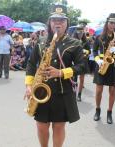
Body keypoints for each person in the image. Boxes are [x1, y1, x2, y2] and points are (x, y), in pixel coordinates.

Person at [24, 4, 85, 147]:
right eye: (54, 20)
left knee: (58, 127)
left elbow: (82, 67)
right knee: (41, 126)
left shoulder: (75, 44)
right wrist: (28, 85)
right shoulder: (40, 43)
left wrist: (61, 72)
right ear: (50, 22)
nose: (58, 23)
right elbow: (31, 64)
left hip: (63, 91)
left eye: (62, 20)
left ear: (67, 23)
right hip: (41, 90)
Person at [93, 13, 115, 124]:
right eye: (111, 23)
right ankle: (97, 110)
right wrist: (97, 60)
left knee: (112, 91)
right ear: (107, 23)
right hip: (102, 65)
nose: (113, 25)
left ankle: (109, 112)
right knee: (99, 90)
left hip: (114, 67)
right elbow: (94, 50)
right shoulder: (99, 37)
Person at [72, 25, 91, 101]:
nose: (80, 34)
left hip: (83, 61)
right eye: (79, 32)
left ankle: (79, 95)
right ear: (76, 33)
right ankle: (73, 94)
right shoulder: (72, 40)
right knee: (74, 80)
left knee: (82, 79)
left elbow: (89, 51)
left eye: (82, 32)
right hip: (74, 62)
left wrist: (85, 51)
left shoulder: (86, 41)